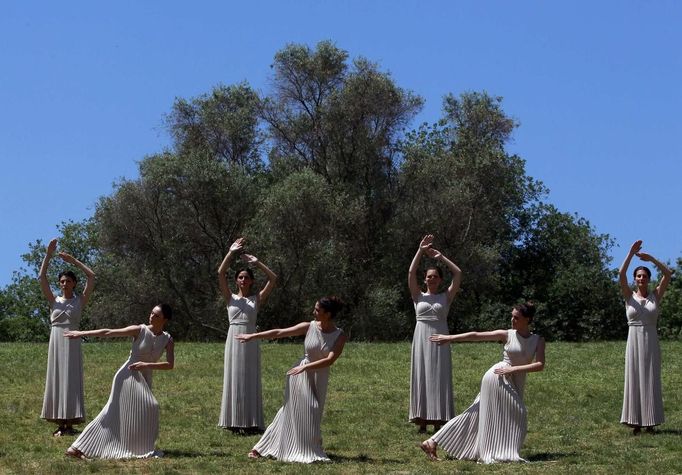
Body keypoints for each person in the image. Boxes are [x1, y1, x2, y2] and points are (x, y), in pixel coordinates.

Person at [420, 302, 545, 464]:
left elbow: (540, 365)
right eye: (512, 316)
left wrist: (513, 370)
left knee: (474, 414)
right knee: (518, 413)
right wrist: (450, 338)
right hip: (498, 377)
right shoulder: (507, 334)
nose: (512, 320)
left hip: (513, 376)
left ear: (528, 319)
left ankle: (431, 442)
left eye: (517, 317)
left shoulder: (538, 340)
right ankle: (501, 450)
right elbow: (476, 335)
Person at [237, 296, 347, 463]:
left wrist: (306, 367)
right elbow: (280, 332)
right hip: (299, 376)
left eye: (317, 310)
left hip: (318, 376)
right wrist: (252, 336)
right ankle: (299, 449)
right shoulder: (308, 327)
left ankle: (263, 447)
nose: (313, 312)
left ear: (328, 314)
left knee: (307, 412)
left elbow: (330, 360)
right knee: (306, 409)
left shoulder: (339, 335)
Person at [64, 304, 175, 459]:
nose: (151, 317)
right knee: (113, 412)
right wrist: (81, 333)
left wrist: (147, 365)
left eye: (156, 315)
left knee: (143, 411)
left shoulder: (168, 340)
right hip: (127, 376)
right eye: (151, 313)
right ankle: (77, 447)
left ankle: (134, 446)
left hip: (144, 378)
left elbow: (169, 365)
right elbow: (109, 332)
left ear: (165, 319)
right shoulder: (140, 330)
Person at [217, 237, 277, 433]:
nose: (244, 280)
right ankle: (233, 421)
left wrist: (256, 263)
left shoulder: (256, 299)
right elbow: (220, 272)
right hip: (233, 338)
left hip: (251, 339)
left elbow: (273, 278)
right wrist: (231, 252)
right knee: (233, 376)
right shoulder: (230, 298)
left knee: (250, 377)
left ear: (251, 281)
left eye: (247, 277)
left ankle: (251, 421)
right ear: (236, 281)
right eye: (240, 277)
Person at [39, 238, 95, 437]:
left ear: (74, 284)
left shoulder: (80, 301)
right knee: (57, 378)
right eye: (62, 281)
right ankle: (59, 423)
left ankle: (70, 423)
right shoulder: (54, 300)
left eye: (68, 281)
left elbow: (91, 276)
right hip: (56, 340)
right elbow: (41, 277)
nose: (65, 284)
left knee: (71, 379)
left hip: (73, 340)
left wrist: (73, 261)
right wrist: (48, 254)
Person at [408, 234, 462, 433]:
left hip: (441, 337)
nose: (431, 279)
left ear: (440, 280)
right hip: (421, 337)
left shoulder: (445, 296)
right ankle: (422, 420)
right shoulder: (418, 296)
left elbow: (458, 274)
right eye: (429, 276)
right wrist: (420, 251)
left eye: (435, 276)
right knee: (422, 374)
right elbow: (411, 271)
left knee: (439, 376)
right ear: (425, 279)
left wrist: (440, 257)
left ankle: (439, 420)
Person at [618, 240, 672, 434]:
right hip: (633, 339)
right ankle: (635, 421)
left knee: (650, 378)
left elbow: (668, 274)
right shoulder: (629, 296)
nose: (641, 279)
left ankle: (651, 421)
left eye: (644, 276)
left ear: (648, 279)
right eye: (638, 276)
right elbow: (621, 274)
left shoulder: (655, 296)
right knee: (633, 377)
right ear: (635, 279)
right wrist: (630, 254)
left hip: (650, 339)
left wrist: (651, 259)